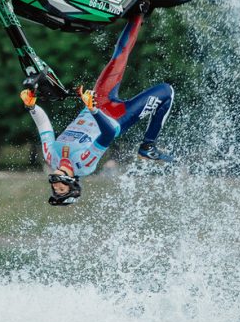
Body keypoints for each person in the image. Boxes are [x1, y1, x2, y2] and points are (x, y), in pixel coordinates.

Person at [21, 12, 174, 206]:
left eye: (54, 188)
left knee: (119, 55)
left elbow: (43, 125)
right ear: (72, 183)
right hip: (117, 117)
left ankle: (139, 11)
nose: (55, 184)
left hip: (98, 101)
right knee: (166, 91)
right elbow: (107, 134)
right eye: (60, 188)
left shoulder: (51, 157)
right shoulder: (84, 165)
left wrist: (31, 106)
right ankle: (148, 146)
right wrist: (93, 110)